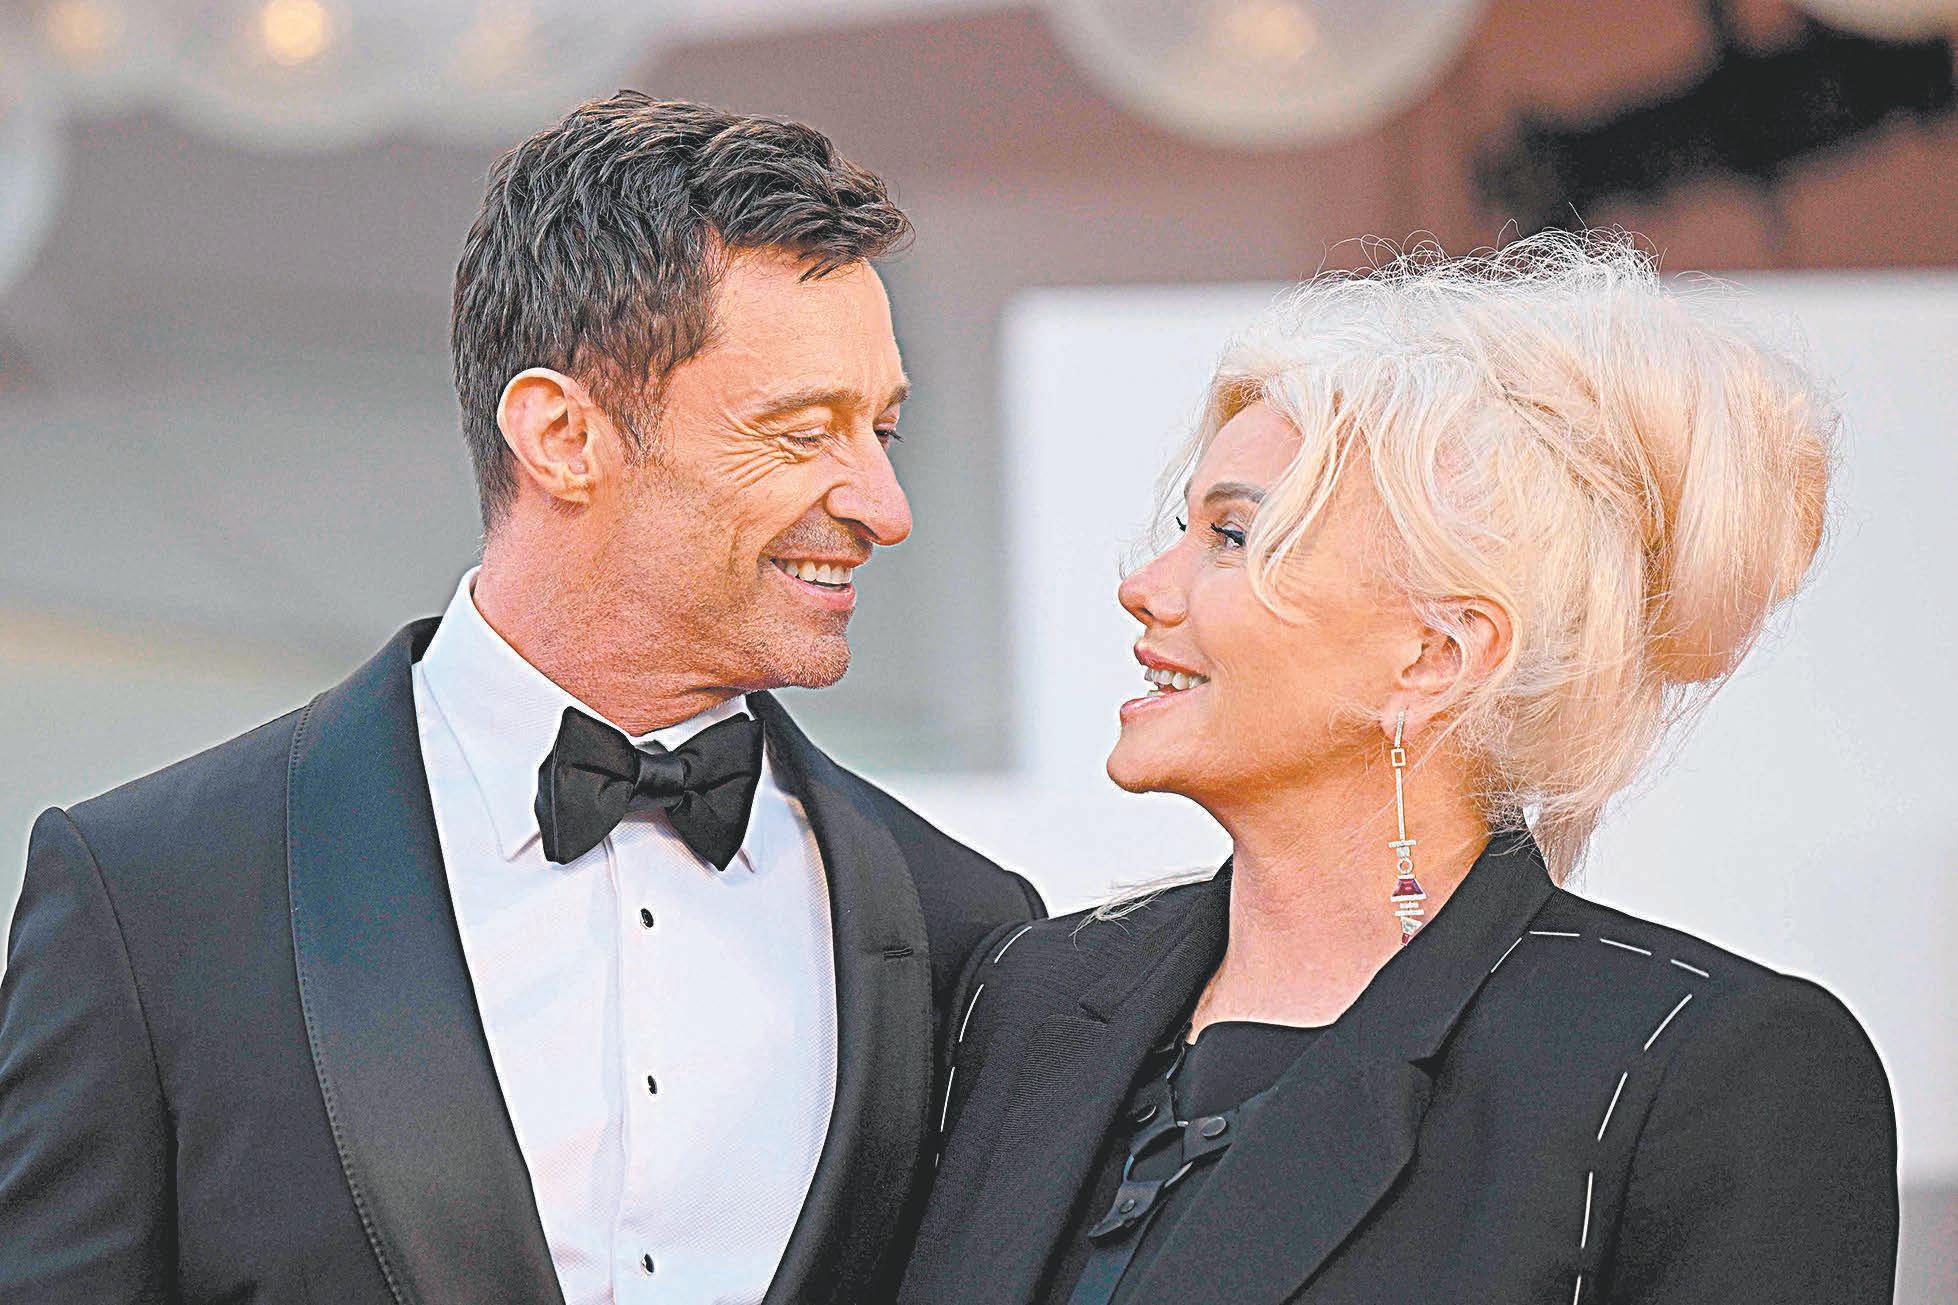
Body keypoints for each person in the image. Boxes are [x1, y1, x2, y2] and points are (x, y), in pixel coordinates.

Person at [0, 93, 1041, 1305]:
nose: (882, 507)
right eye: (802, 433)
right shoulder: (152, 895)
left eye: (883, 433)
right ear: (560, 435)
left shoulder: (966, 927)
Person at [902, 234, 1897, 1305]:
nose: (1143, 584)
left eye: (1232, 535)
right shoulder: (1029, 997)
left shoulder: (1701, 1068)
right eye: (1183, 527)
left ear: (1435, 656)